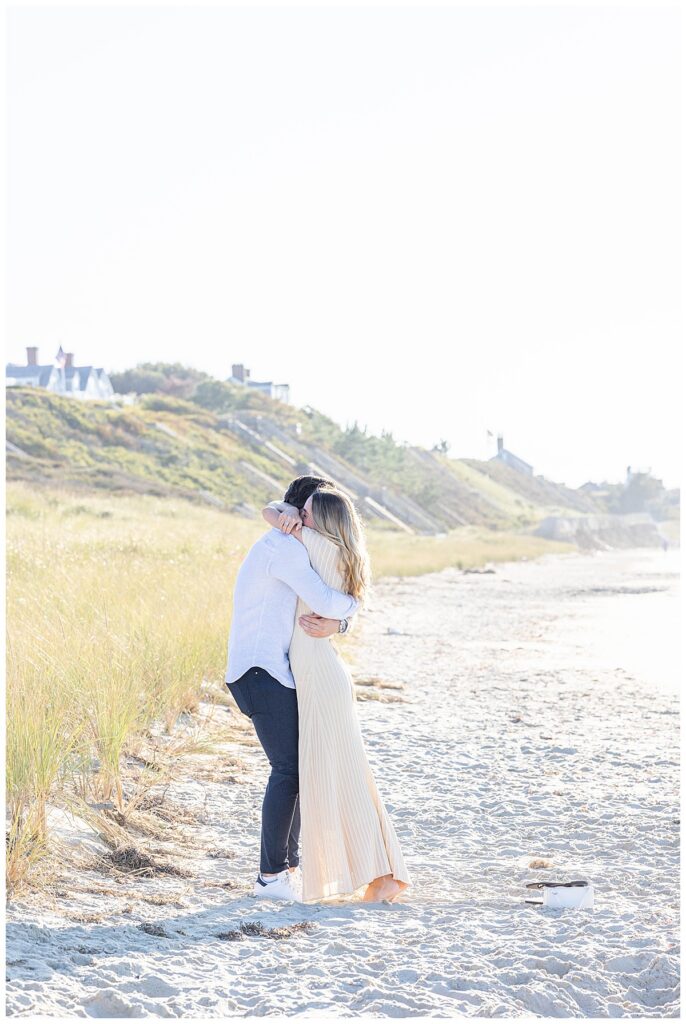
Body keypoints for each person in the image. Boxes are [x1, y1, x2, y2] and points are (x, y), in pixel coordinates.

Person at [262, 487, 412, 903]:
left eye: (308, 514)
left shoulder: (315, 545)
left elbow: (269, 511)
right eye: (301, 514)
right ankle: (382, 873)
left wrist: (285, 513)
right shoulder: (341, 552)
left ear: (325, 524)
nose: (300, 519)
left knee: (344, 779)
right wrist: (341, 624)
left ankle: (384, 875)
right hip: (320, 676)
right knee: (347, 776)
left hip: (321, 682)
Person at [224, 476, 358, 902]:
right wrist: (351, 613)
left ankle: (288, 866)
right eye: (312, 515)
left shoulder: (282, 539)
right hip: (259, 672)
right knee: (288, 770)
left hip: (266, 671)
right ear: (300, 515)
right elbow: (325, 599)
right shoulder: (284, 549)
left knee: (297, 768)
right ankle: (270, 876)